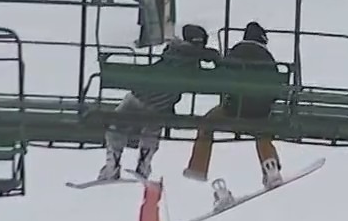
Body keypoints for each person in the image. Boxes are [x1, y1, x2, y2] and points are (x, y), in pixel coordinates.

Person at [99, 26, 212, 182]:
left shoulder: (173, 52)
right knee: (152, 129)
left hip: (139, 94)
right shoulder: (192, 62)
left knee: (117, 126)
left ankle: (113, 164)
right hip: (160, 105)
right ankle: (144, 164)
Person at [184, 23, 285, 191]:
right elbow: (276, 89)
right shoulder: (268, 58)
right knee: (262, 131)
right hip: (259, 113)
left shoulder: (235, 53)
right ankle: (270, 166)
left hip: (233, 110)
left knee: (207, 123)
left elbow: (222, 80)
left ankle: (198, 167)